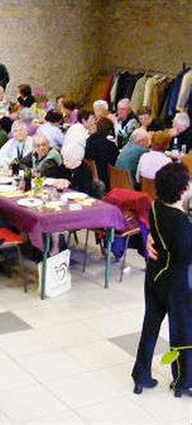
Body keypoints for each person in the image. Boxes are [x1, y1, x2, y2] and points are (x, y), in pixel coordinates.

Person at [132, 162, 192, 396]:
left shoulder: (156, 207)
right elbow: (186, 256)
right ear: (182, 188)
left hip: (154, 274)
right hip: (176, 283)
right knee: (183, 331)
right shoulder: (182, 223)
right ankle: (183, 381)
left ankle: (141, 374)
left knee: (151, 325)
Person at [85, 116, 119, 190]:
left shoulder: (89, 140)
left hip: (89, 176)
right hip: (104, 178)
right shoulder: (110, 145)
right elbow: (115, 162)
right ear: (109, 131)